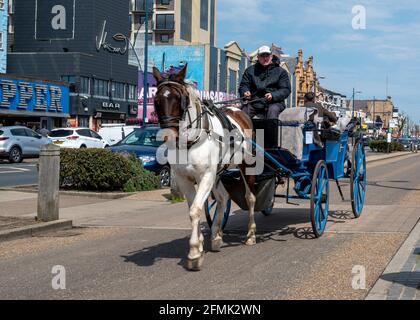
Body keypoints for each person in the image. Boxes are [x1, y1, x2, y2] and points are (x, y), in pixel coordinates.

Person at [239, 46, 291, 119]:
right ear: (258, 57)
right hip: (254, 102)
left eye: (267, 55)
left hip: (274, 102)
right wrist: (245, 91)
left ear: (271, 56)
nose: (265, 58)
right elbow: (244, 85)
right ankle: (248, 131)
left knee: (272, 111)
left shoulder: (281, 72)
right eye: (262, 56)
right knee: (243, 114)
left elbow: (286, 89)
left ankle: (270, 131)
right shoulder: (250, 70)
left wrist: (273, 95)